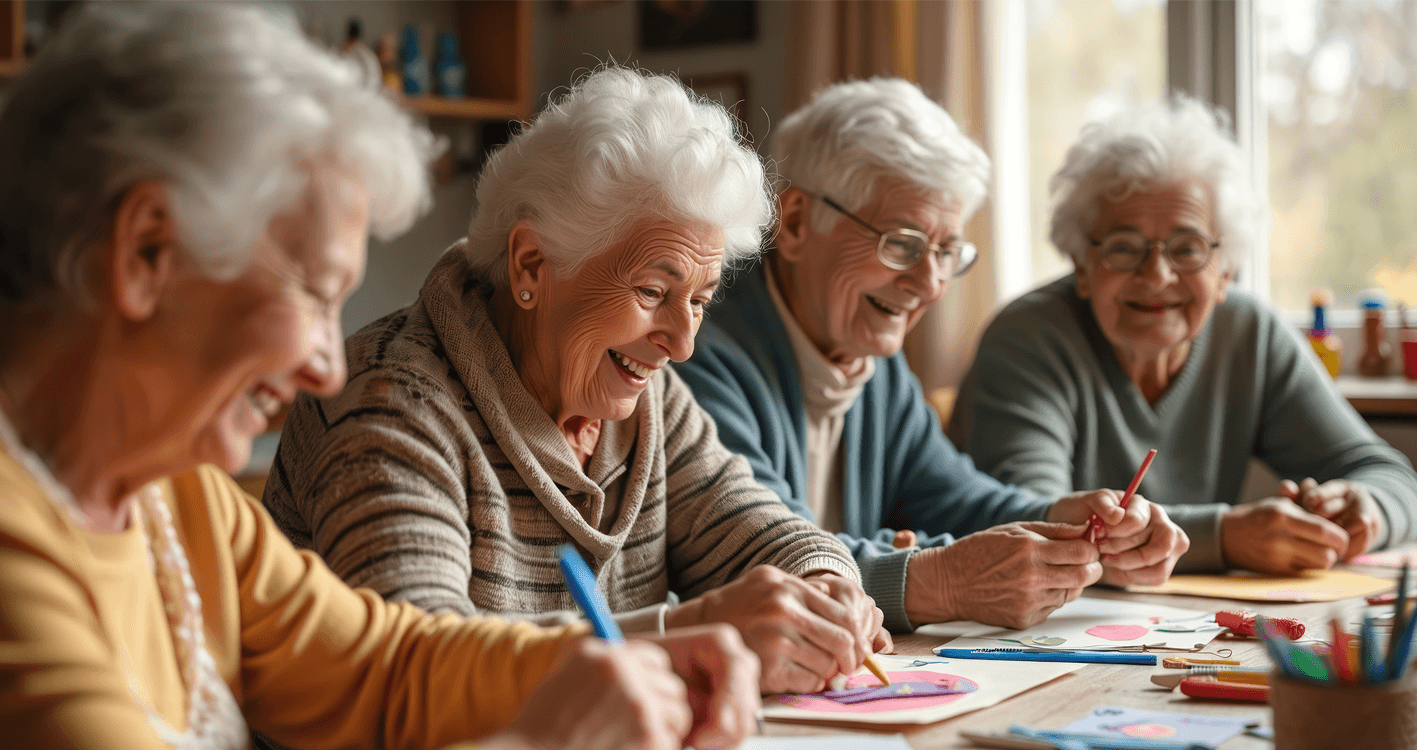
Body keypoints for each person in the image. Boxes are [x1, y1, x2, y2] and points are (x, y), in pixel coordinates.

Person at [0, 6, 762, 750]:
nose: (329, 362)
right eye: (315, 294)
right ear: (148, 253)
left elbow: (383, 663)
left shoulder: (177, 498)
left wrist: (639, 661)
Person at [263, 66, 888, 695]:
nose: (683, 341)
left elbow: (747, 522)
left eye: (698, 300)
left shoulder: (644, 396)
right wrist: (681, 633)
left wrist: (823, 585)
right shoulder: (394, 404)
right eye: (652, 290)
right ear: (532, 263)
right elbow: (416, 673)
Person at [673, 78, 1190, 633]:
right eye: (901, 243)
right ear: (797, 222)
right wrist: (934, 579)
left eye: (946, 251)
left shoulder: (872, 362)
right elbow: (753, 556)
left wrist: (1063, 520)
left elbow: (953, 499)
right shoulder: (695, 351)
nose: (931, 282)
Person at [951, 97, 1417, 575]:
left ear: (1225, 270)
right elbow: (1033, 524)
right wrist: (1225, 538)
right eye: (1124, 248)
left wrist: (1368, 509)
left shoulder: (1250, 334)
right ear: (1081, 266)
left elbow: (1393, 477)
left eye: (1187, 248)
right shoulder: (1027, 339)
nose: (1156, 275)